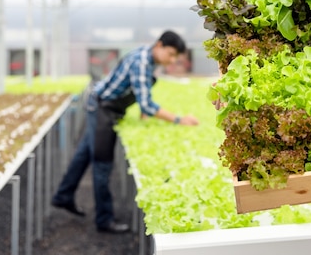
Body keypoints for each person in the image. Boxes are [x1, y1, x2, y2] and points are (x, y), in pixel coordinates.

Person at [52, 30, 200, 234]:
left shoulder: (147, 59)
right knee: (102, 163)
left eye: (176, 57)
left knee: (85, 153)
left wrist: (144, 110)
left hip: (104, 105)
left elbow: (141, 91)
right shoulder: (141, 62)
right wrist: (179, 119)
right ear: (159, 45)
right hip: (103, 108)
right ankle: (104, 219)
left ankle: (63, 196)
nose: (172, 60)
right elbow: (147, 104)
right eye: (171, 54)